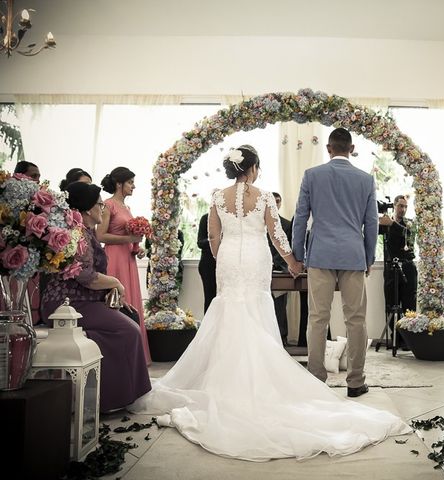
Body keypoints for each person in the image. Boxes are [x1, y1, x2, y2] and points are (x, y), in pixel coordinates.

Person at [129, 145, 410, 460]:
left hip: (230, 261)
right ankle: (264, 381)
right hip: (255, 258)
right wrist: (292, 262)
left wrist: (224, 257)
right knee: (256, 312)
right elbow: (277, 235)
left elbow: (213, 236)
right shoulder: (263, 197)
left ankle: (223, 382)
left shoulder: (218, 197)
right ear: (252, 168)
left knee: (227, 310)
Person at [41, 182, 151, 413]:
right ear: (89, 209)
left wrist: (112, 294)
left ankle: (113, 393)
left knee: (128, 320)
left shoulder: (86, 232)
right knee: (128, 331)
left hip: (83, 301)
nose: (103, 208)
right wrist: (116, 283)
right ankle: (111, 399)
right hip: (67, 304)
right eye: (100, 204)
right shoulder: (77, 234)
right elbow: (85, 276)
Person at [292, 128, 378, 398]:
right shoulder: (366, 179)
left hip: (320, 255)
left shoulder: (312, 175)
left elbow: (300, 218)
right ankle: (355, 382)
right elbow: (372, 223)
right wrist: (369, 257)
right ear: (351, 148)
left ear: (328, 148)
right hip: (353, 255)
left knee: (317, 319)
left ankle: (317, 380)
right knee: (356, 320)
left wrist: (298, 255)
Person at [97, 167, 151, 364]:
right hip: (114, 258)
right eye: (130, 182)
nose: (134, 186)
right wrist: (129, 238)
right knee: (118, 300)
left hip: (128, 257)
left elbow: (128, 237)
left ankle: (134, 355)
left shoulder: (126, 208)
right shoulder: (108, 204)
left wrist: (137, 247)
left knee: (132, 300)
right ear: (119, 184)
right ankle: (116, 356)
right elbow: (100, 235)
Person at [379, 195, 417, 347]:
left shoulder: (410, 223)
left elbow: (409, 234)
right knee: (391, 303)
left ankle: (408, 339)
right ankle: (395, 338)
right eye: (400, 206)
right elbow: (369, 230)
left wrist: (392, 224)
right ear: (394, 206)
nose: (403, 209)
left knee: (409, 303)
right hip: (390, 268)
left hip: (407, 267)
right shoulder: (385, 222)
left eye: (405, 206)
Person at [269, 192, 292, 345]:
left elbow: (287, 246)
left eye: (278, 201)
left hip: (279, 269)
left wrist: (276, 263)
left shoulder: (287, 224)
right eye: (274, 201)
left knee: (279, 306)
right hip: (260, 266)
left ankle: (281, 337)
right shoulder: (260, 221)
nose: (276, 204)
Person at [196, 212, 217, 312]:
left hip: (225, 264)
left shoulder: (229, 217)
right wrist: (214, 240)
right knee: (210, 297)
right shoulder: (206, 218)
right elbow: (200, 243)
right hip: (208, 265)